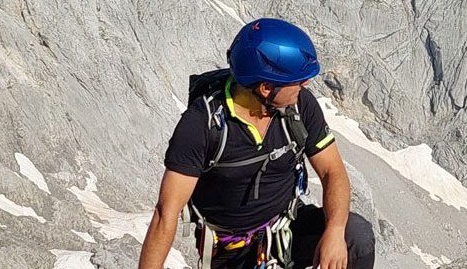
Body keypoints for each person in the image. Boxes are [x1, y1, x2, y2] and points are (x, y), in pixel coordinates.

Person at [138, 18, 376, 269]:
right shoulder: (202, 126)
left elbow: (332, 171)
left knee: (356, 240)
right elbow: (165, 215)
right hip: (231, 253)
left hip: (286, 229)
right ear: (265, 88)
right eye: (297, 80)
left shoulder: (299, 106)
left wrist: (335, 233)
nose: (305, 85)